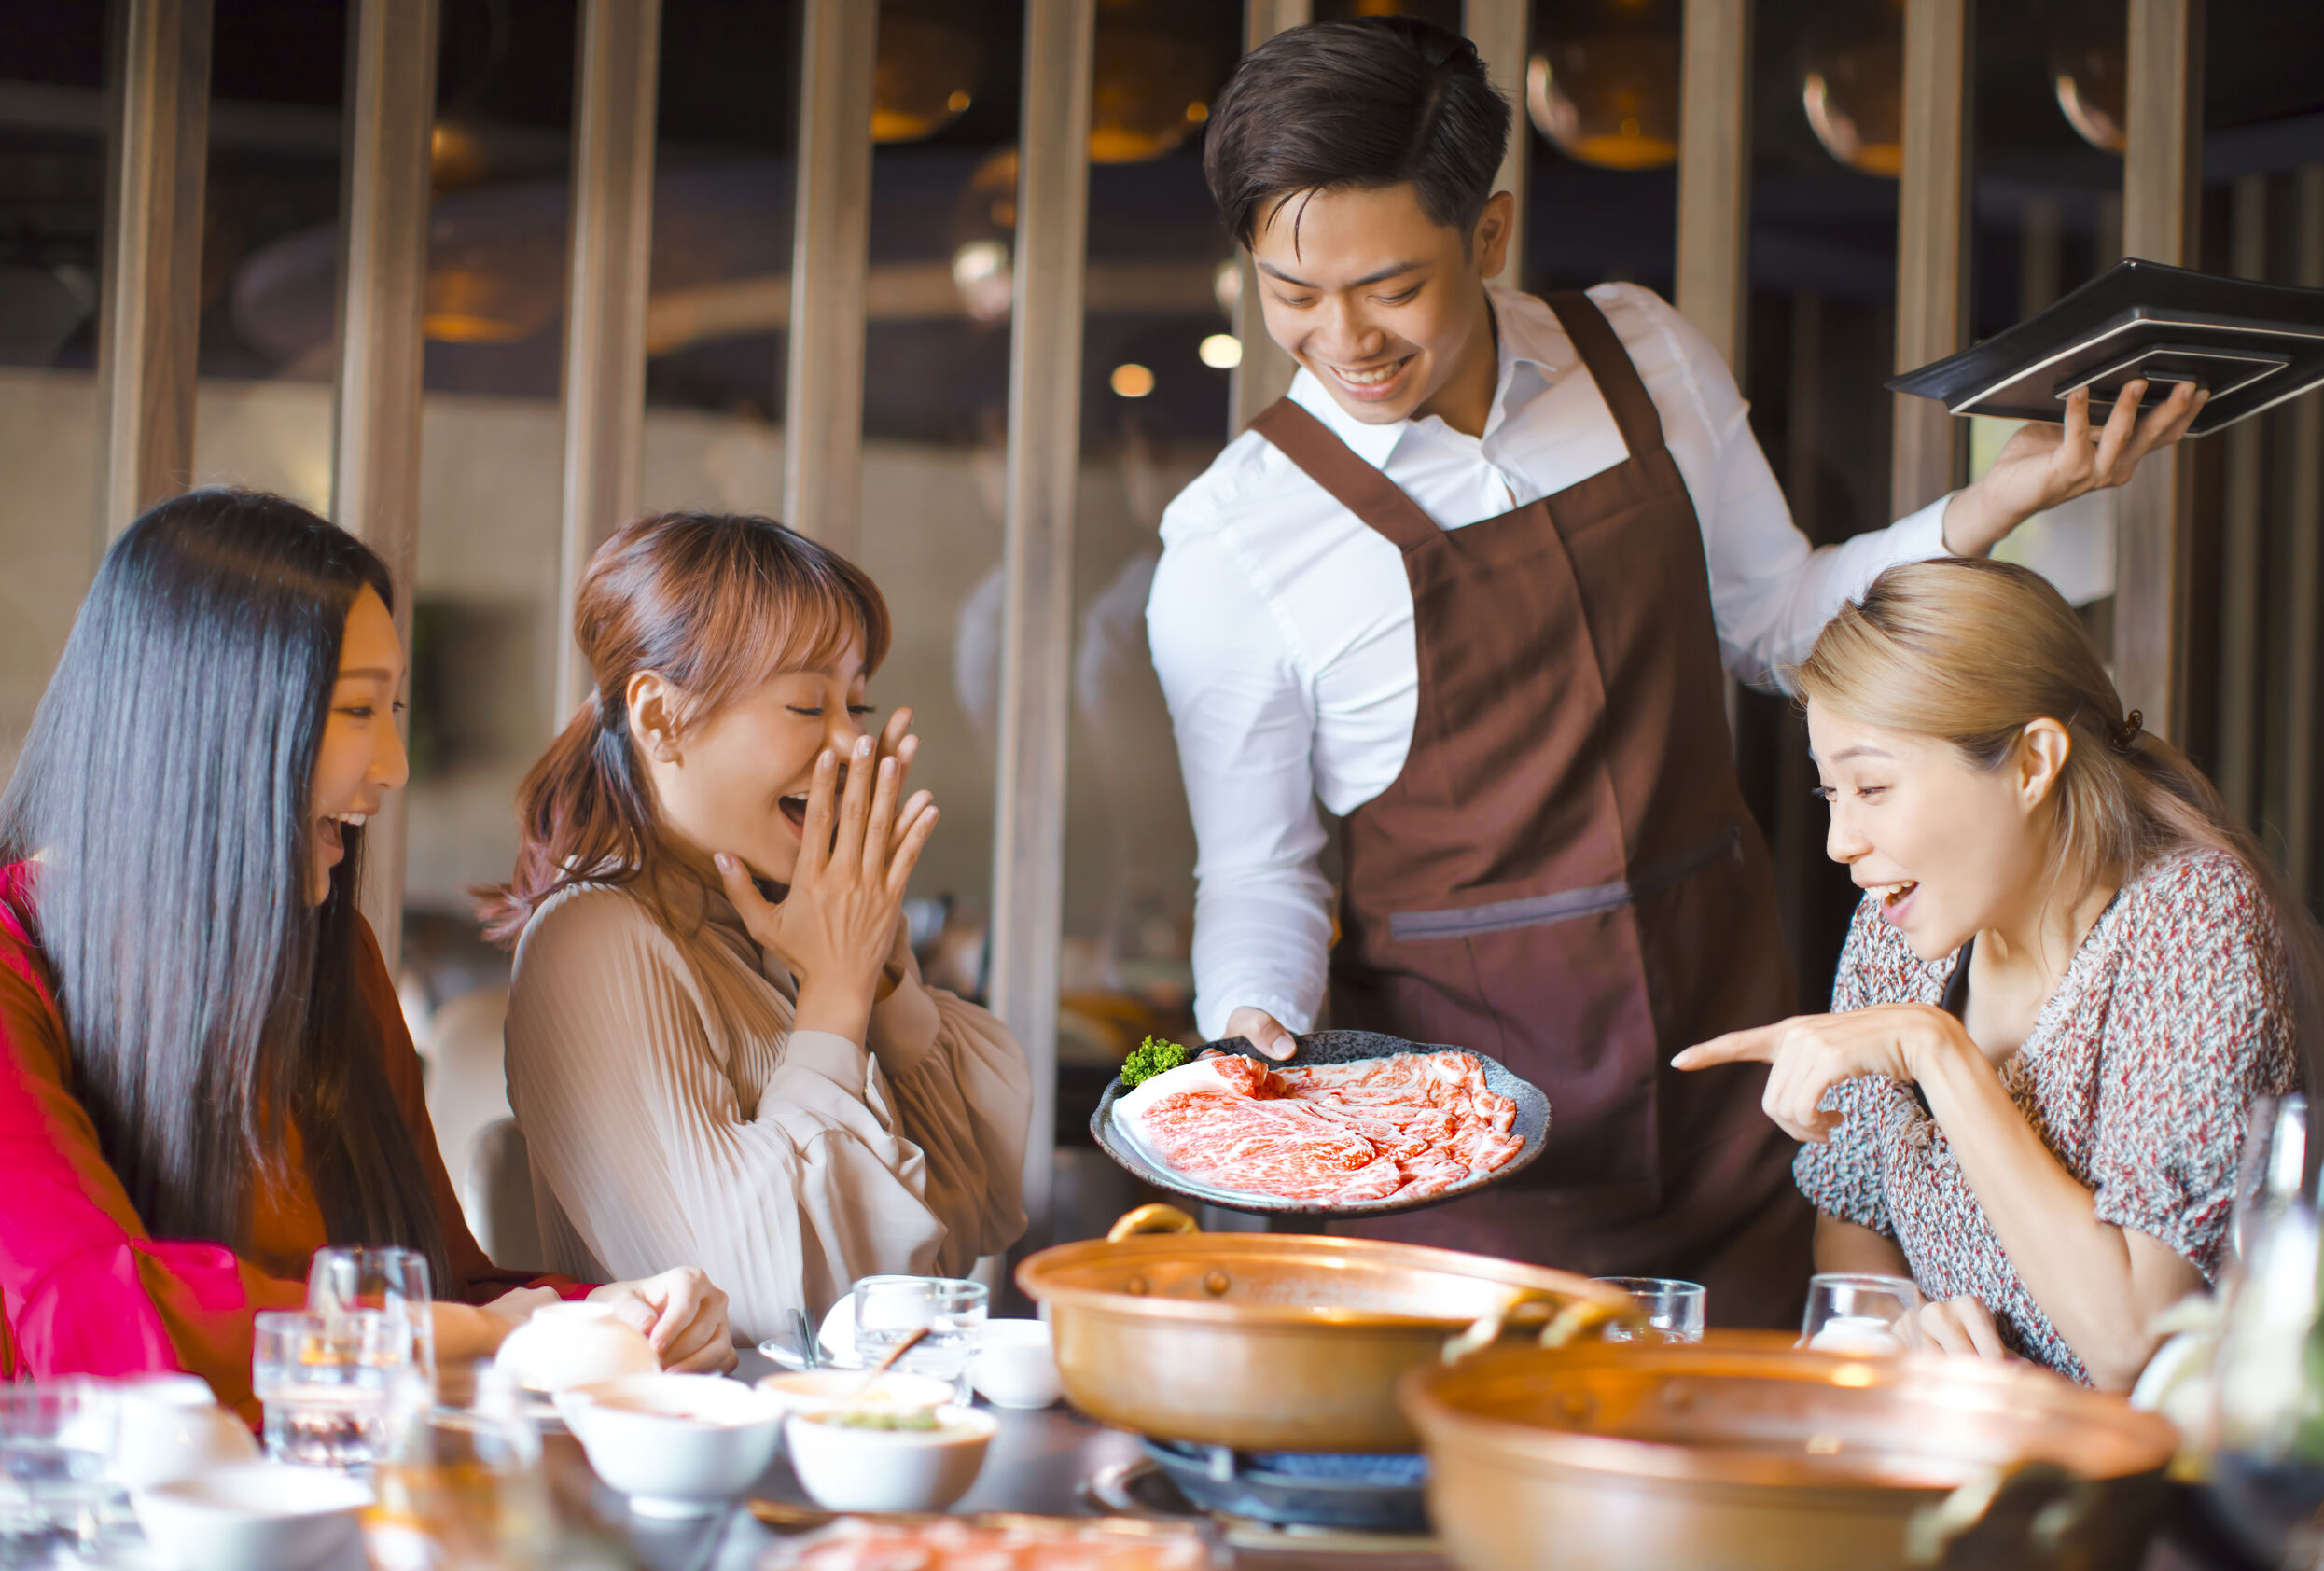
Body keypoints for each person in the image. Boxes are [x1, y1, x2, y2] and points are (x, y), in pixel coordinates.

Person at [1145, 15, 2201, 1322]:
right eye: (1292, 294)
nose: (1341, 337)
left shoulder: (1637, 356)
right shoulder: (1234, 540)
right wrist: (1253, 1028)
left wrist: (2000, 501)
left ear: (1486, 233)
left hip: (1730, 1080)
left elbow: (1782, 625)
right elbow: (1260, 872)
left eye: (1389, 287)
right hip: (1461, 1152)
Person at [0, 490, 735, 1422]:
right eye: (355, 709)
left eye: (392, 707)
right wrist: (491, 1337)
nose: (390, 763)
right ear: (209, 724)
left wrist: (613, 1315)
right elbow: (91, 1315)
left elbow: (442, 1282)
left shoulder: (329, 955)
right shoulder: (16, 963)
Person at [1675, 559, 2314, 1387]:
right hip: (1961, 1456)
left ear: (2030, 764)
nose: (1840, 841)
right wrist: (1900, 1329)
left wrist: (1937, 1054)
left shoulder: (2191, 923)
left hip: (2154, 1496)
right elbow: (1854, 1213)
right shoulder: (1898, 927)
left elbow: (2133, 1347)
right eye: (1830, 792)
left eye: (1872, 786)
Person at [484, 512, 1031, 1343]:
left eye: (857, 702)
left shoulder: (773, 928)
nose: (853, 744)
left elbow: (966, 1222)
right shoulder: (591, 939)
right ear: (660, 717)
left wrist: (878, 969)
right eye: (808, 704)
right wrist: (836, 997)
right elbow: (769, 1305)